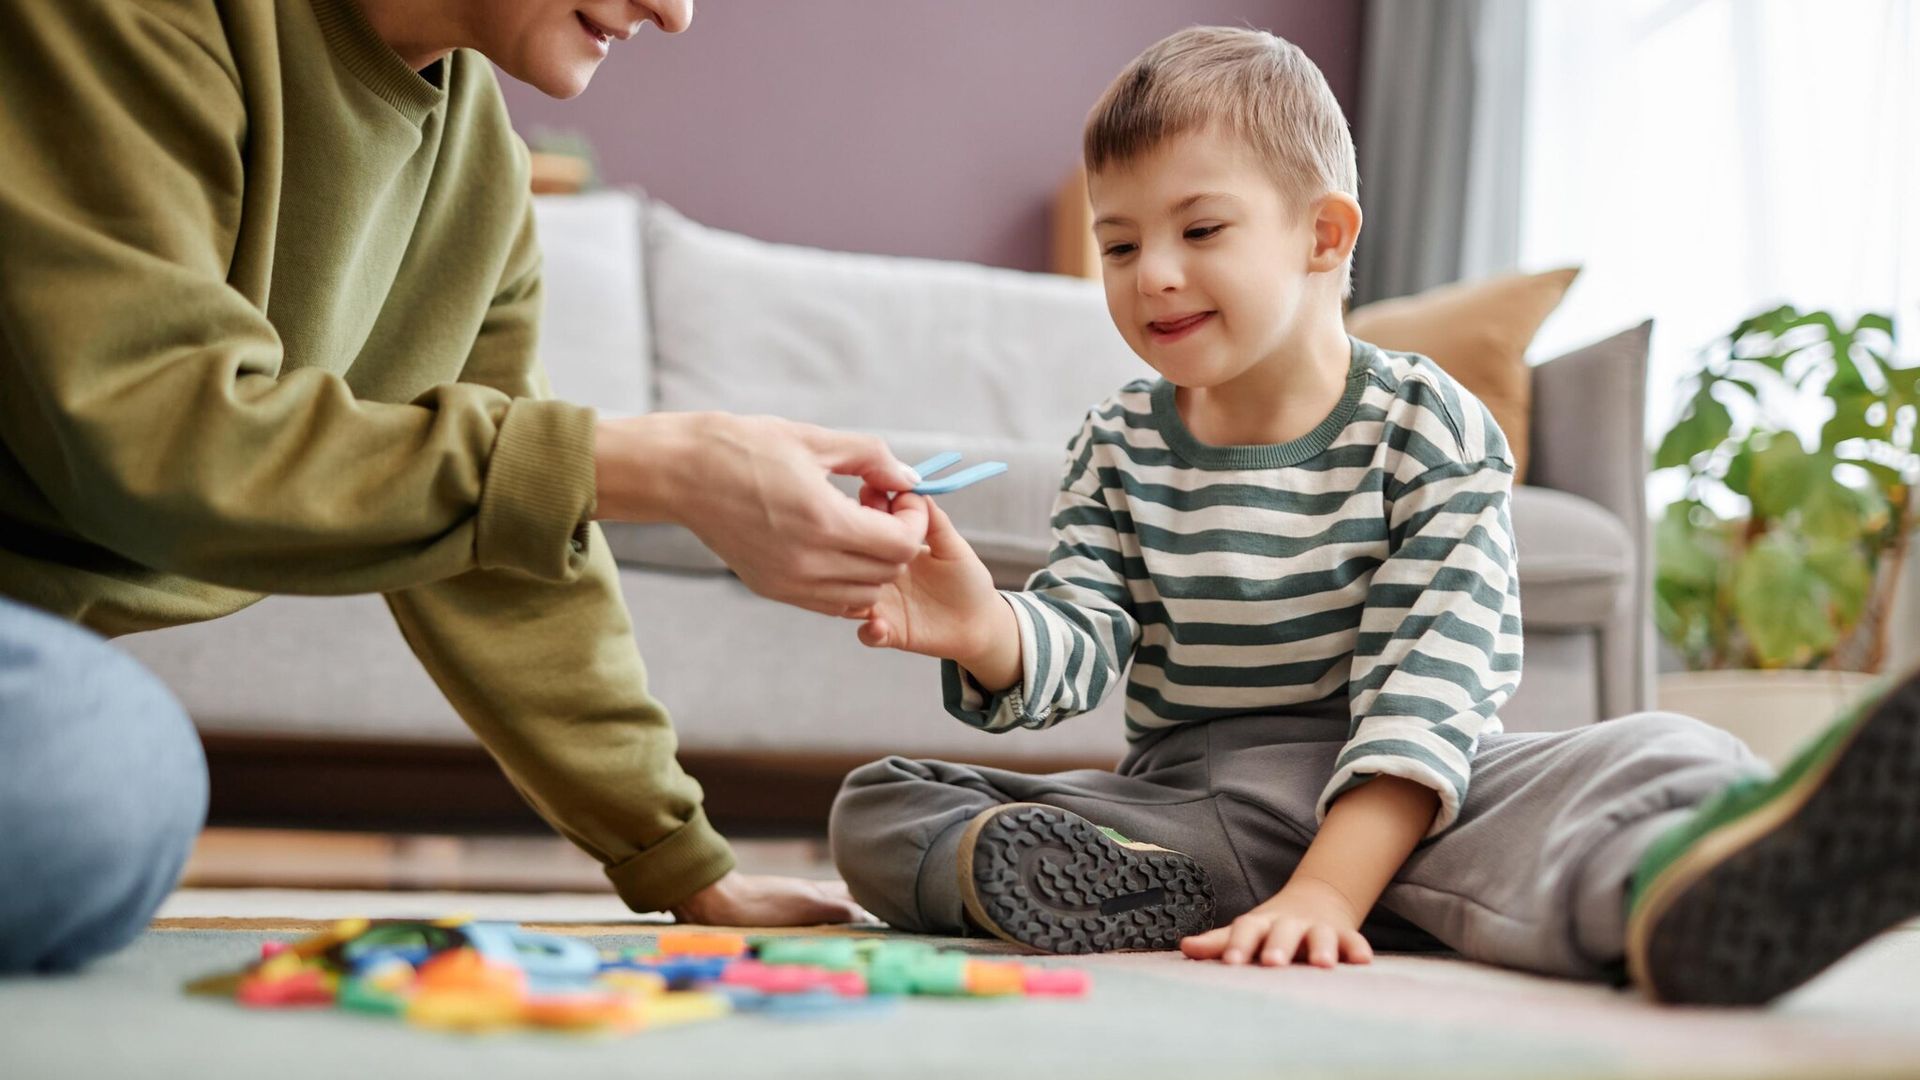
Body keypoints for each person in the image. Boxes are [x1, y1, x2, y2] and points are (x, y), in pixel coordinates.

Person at [827, 26, 1920, 1005]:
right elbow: (1082, 633)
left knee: (1658, 750)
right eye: (1119, 246)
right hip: (1204, 802)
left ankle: (1686, 886)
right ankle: (1207, 890)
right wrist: (986, 630)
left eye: (1199, 228)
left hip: (1422, 787)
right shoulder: (1117, 444)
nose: (1152, 274)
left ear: (1323, 234)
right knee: (878, 807)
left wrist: (1333, 891)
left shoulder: (1428, 425)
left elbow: (1431, 683)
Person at [0, 0, 928, 974]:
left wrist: (683, 861)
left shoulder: (477, 161)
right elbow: (160, 437)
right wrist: (663, 466)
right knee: (100, 773)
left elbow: (502, 541)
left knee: (95, 773)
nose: (675, 13)